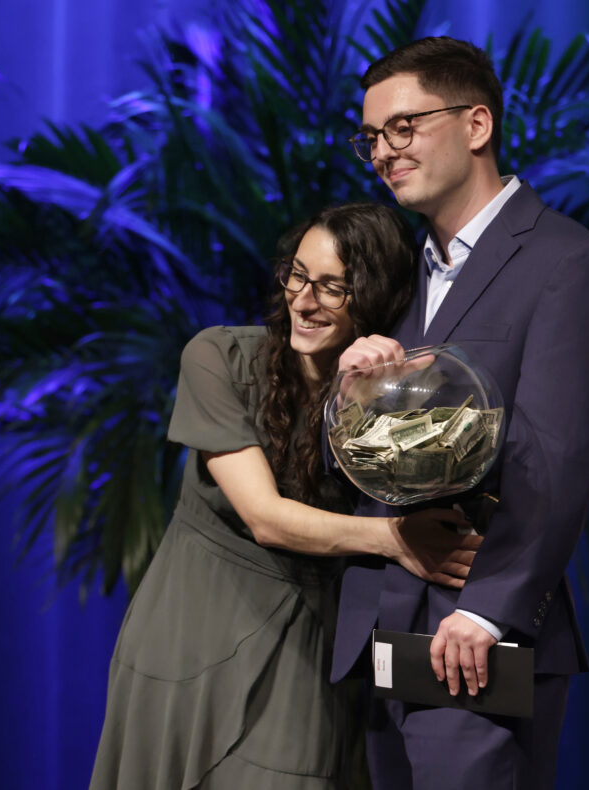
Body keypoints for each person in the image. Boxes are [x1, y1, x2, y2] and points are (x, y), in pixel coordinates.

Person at [89, 202, 482, 790]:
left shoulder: (390, 396)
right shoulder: (217, 357)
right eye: (297, 275)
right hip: (191, 628)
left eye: (332, 287)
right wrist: (395, 542)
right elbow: (265, 517)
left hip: (312, 637)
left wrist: (365, 397)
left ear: (373, 297)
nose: (303, 300)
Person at [333, 37, 589, 789]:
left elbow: (559, 453)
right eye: (371, 137)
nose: (383, 152)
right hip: (383, 632)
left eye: (403, 127)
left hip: (475, 638)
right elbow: (376, 450)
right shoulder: (398, 277)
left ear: (477, 124)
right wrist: (353, 391)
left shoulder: (565, 260)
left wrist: (490, 611)